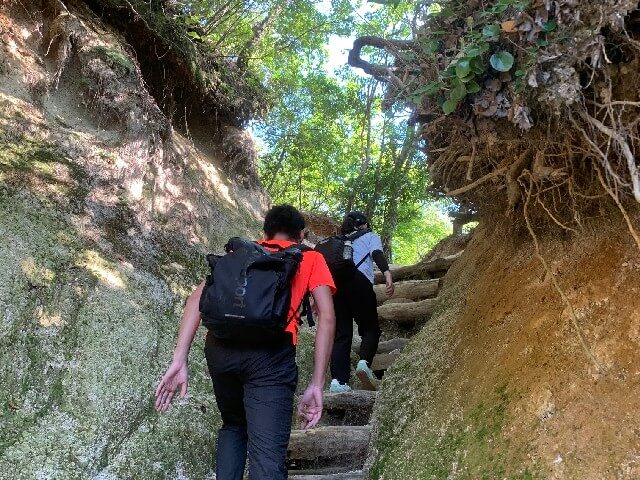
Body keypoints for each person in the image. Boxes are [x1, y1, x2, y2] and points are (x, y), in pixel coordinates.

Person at [154, 204, 336, 480]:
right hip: (270, 357)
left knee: (234, 426)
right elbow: (327, 317)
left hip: (220, 350)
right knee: (266, 455)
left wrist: (179, 360)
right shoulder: (310, 258)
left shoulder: (240, 252)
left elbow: (195, 301)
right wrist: (316, 384)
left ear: (264, 232)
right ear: (301, 235)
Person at [330, 211, 394, 392]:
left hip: (337, 286)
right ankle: (364, 362)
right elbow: (376, 253)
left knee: (342, 334)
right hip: (359, 282)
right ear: (364, 224)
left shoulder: (338, 241)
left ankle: (338, 381)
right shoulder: (370, 236)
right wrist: (387, 273)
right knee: (370, 327)